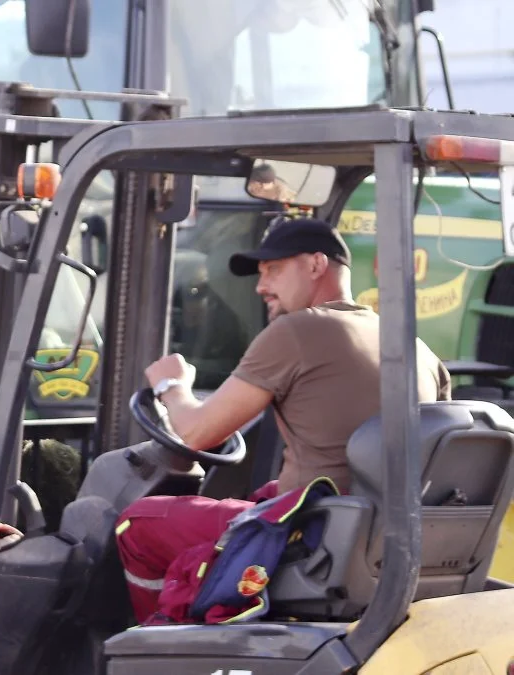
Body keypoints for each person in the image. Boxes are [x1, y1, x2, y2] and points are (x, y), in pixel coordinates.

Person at [115, 216, 452, 624]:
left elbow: (197, 432)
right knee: (263, 494)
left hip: (308, 539)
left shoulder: (298, 330)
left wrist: (172, 384)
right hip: (370, 541)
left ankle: (149, 648)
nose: (260, 287)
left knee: (138, 522)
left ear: (315, 265)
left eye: (273, 270)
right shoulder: (416, 349)